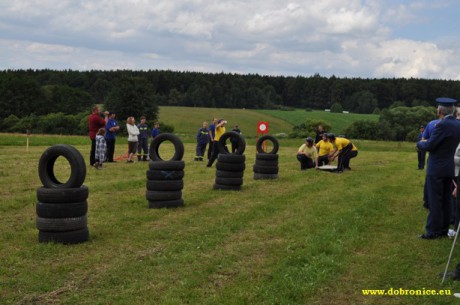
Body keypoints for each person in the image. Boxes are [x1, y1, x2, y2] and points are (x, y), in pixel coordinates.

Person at [417, 97, 460, 239]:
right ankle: (443, 228)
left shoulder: (442, 125)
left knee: (435, 200)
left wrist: (421, 143)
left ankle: (433, 231)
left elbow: (430, 145)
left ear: (440, 111)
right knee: (447, 201)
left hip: (437, 168)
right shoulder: (457, 124)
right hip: (451, 167)